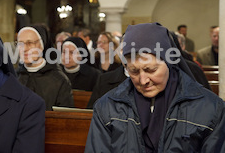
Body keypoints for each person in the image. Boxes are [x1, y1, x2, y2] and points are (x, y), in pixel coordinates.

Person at [85, 23, 225, 152]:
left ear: (169, 63)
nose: (143, 80)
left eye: (151, 70)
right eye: (133, 71)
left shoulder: (210, 108)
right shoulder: (107, 107)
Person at [17, 25, 74, 110]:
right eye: (20, 44)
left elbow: (65, 119)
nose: (24, 48)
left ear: (41, 45)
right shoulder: (12, 77)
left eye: (30, 43)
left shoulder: (59, 80)